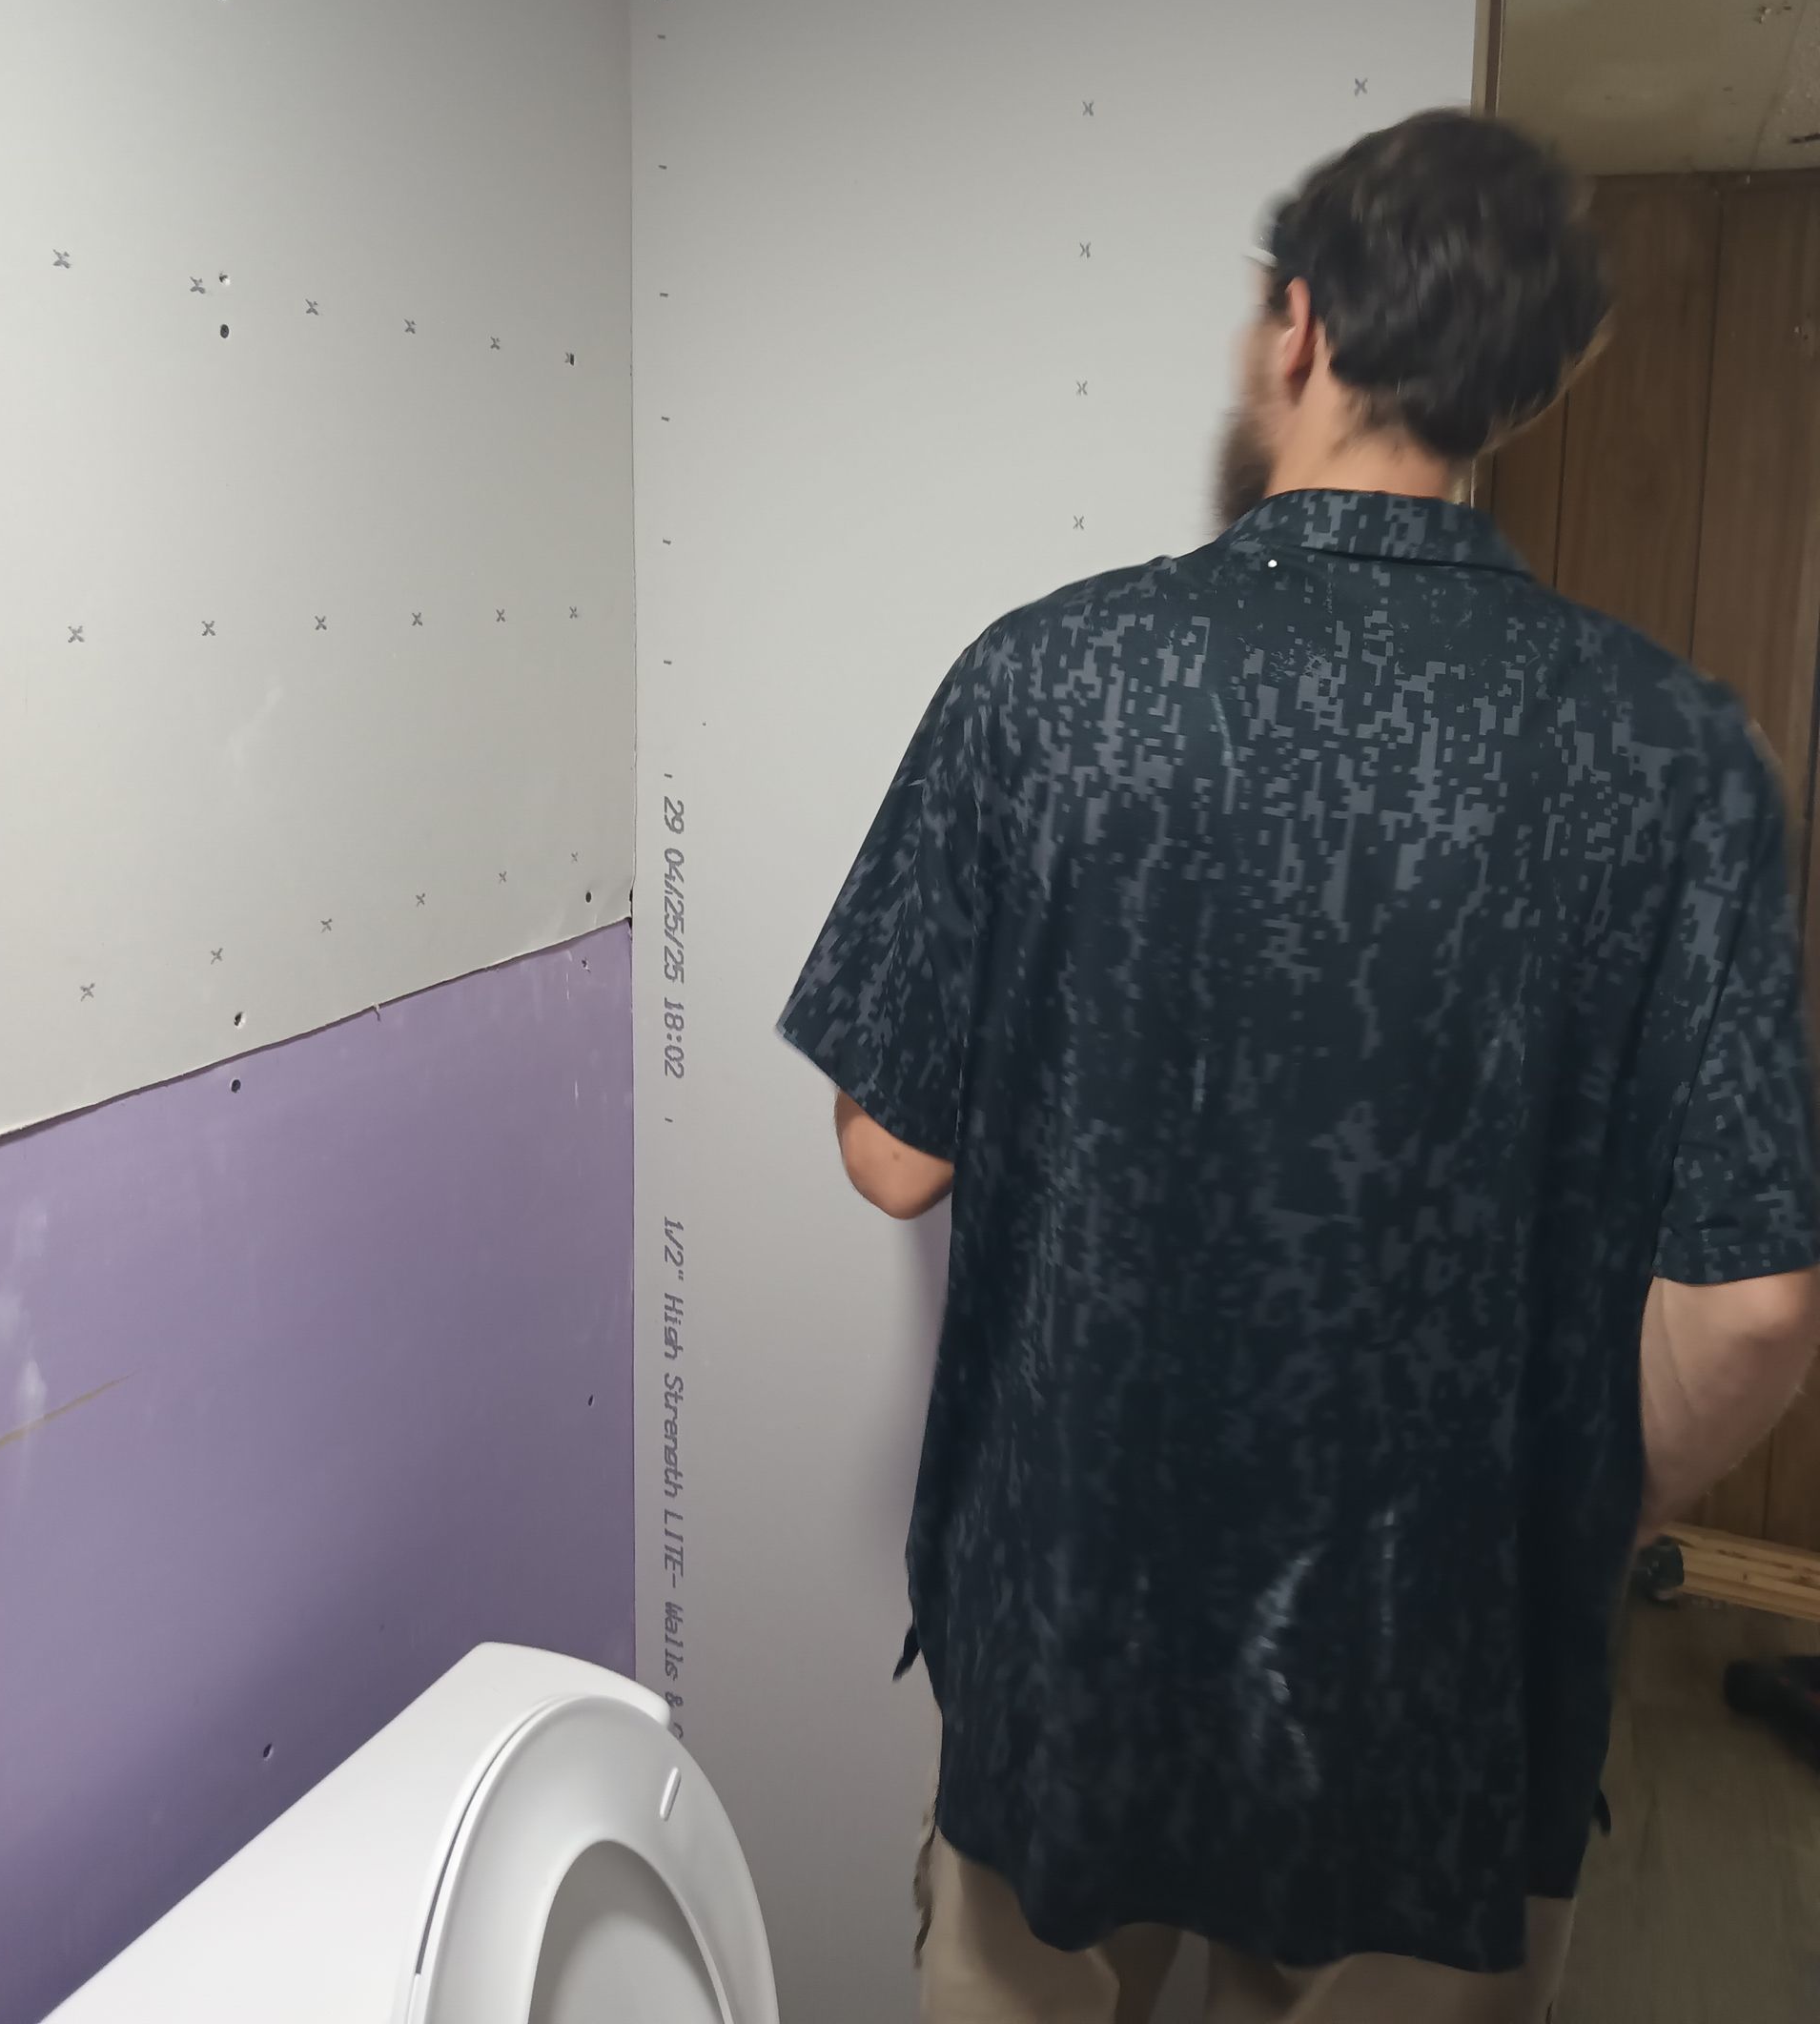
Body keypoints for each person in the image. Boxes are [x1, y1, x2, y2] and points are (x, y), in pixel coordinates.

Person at [777, 111, 1820, 2023]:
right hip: (1431, 1684)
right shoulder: (1676, 760)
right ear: (1542, 376)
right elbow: (1755, 1304)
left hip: (1079, 1636)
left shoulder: (1050, 682)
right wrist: (1565, 1491)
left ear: (1297, 323)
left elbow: (890, 1157)